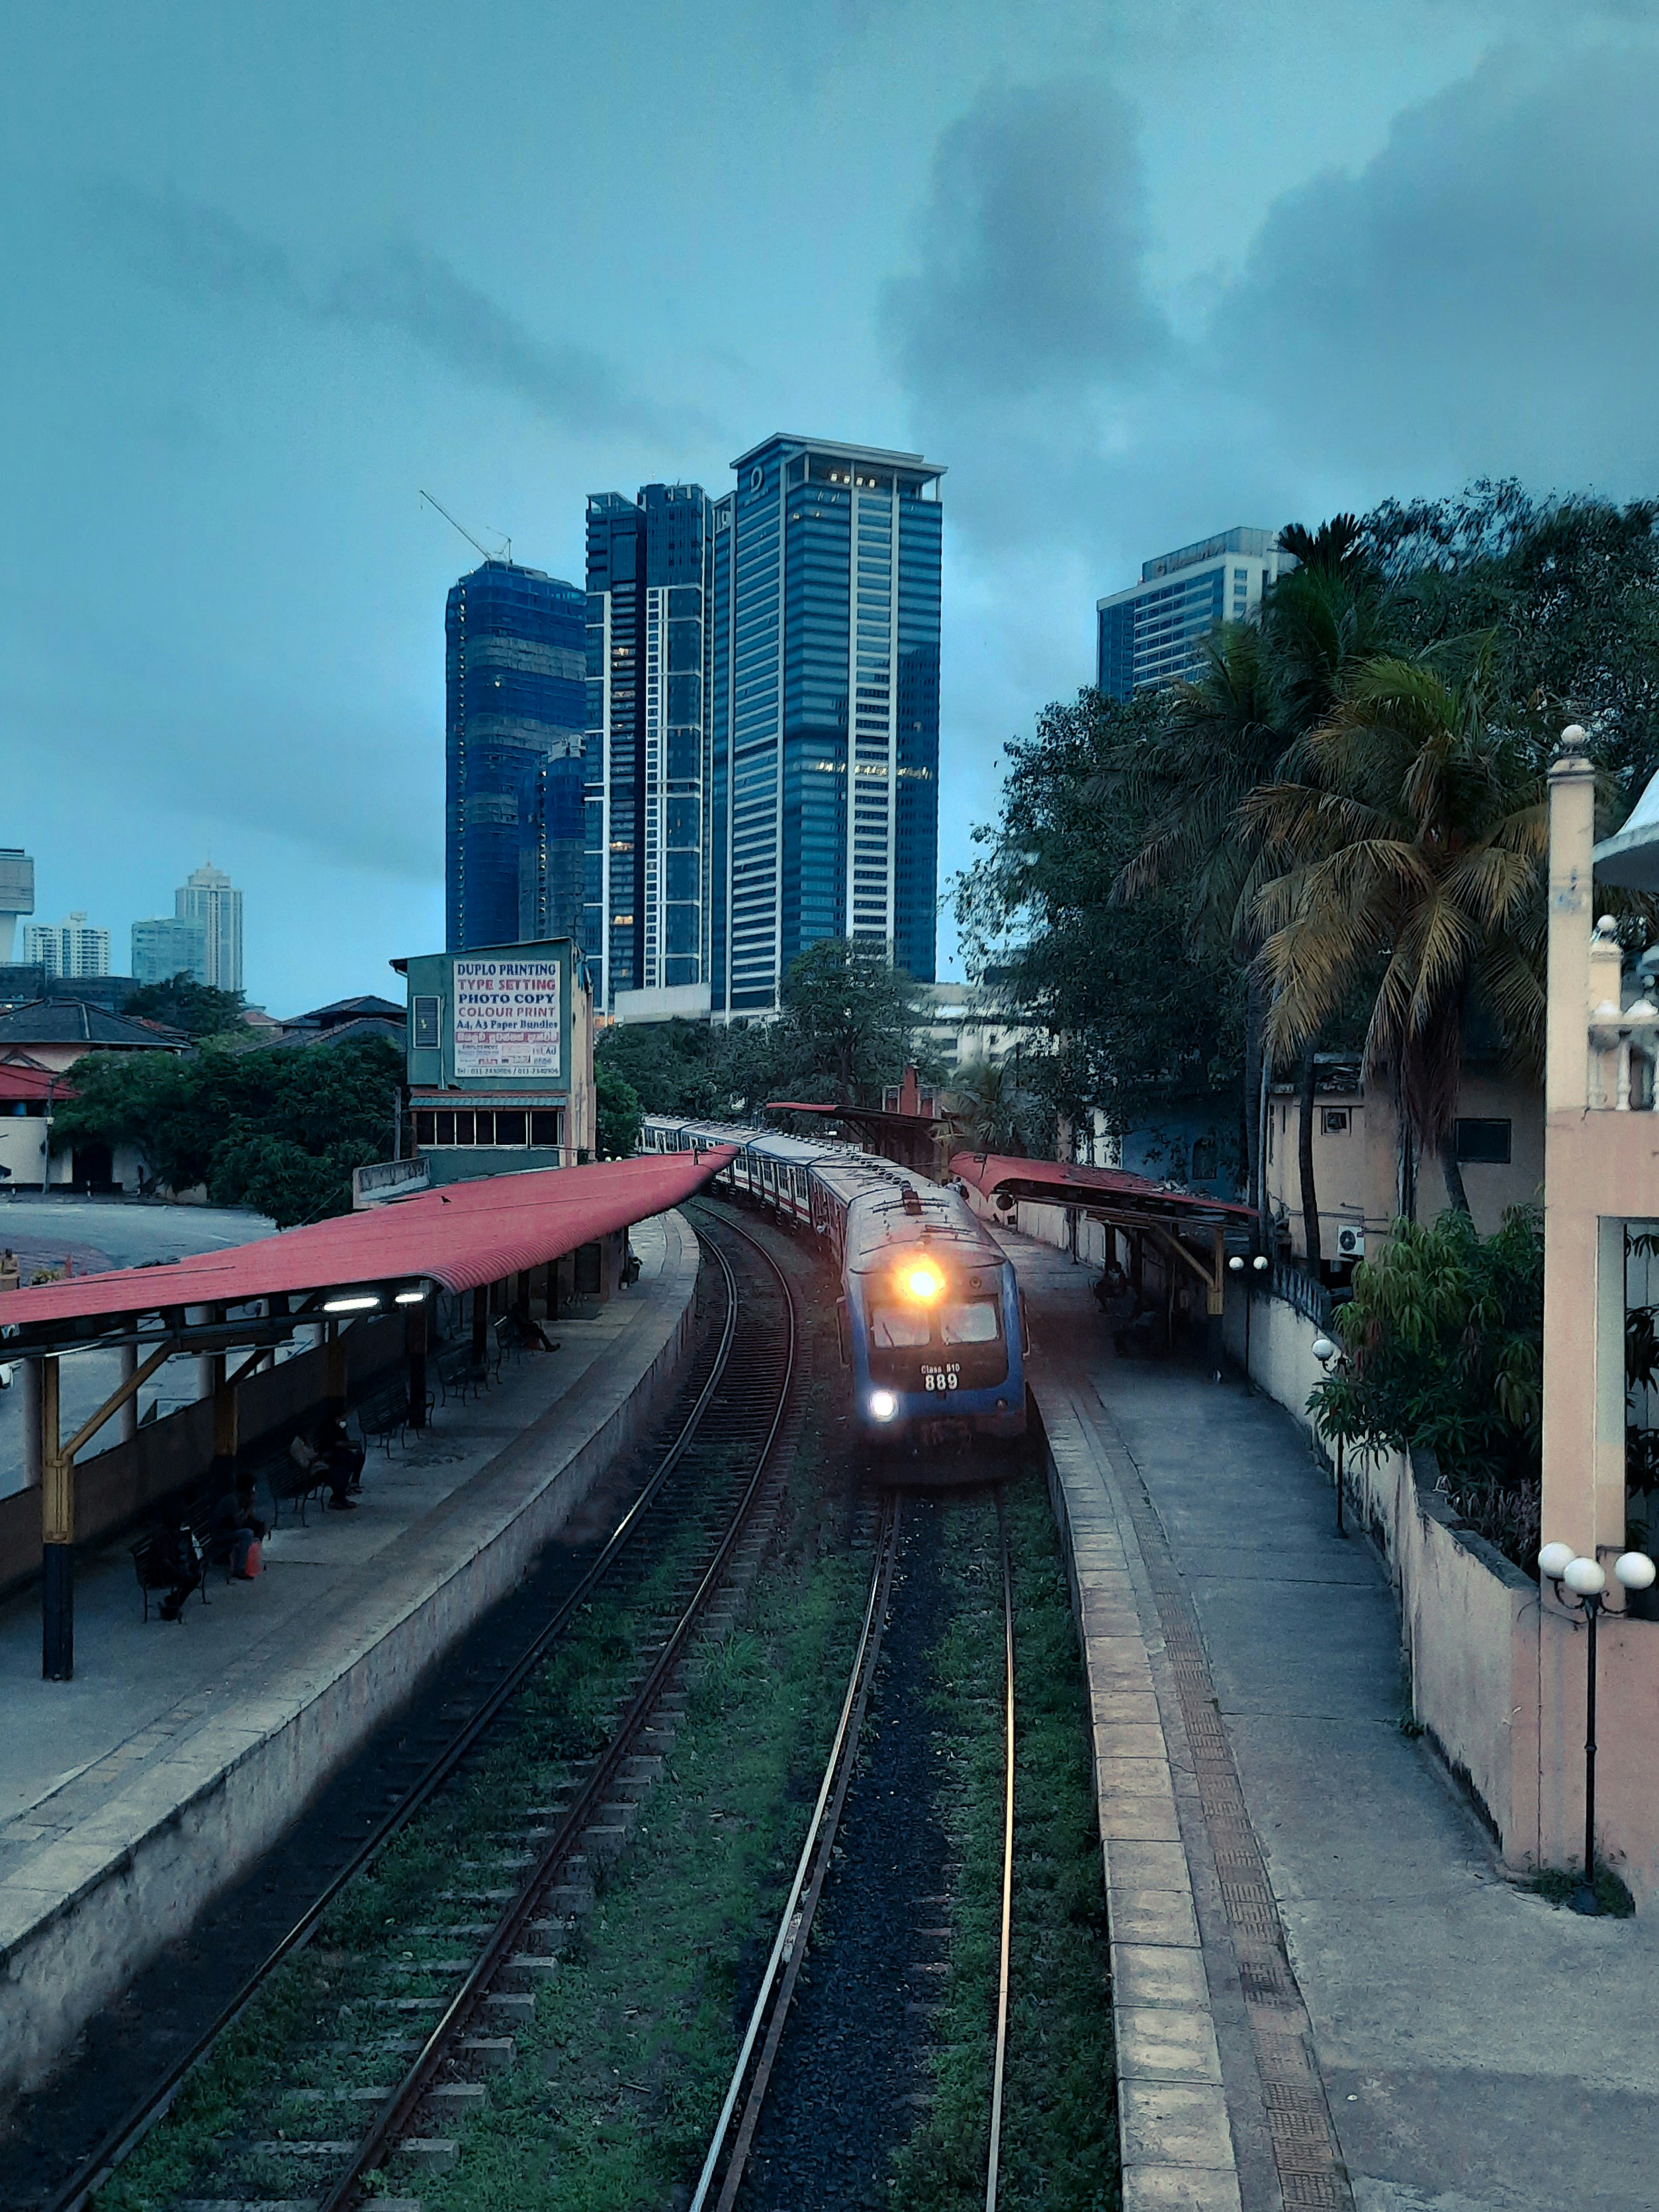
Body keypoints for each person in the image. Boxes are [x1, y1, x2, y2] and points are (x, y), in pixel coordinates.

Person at [207, 1468, 267, 1580]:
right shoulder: (232, 1501)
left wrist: (251, 1509)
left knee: (259, 1527)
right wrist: (249, 1508)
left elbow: (250, 1520)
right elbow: (238, 1524)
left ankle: (253, 1560)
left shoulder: (243, 1499)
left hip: (231, 1529)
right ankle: (239, 1569)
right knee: (247, 1533)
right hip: (221, 1532)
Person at [150, 1516, 202, 1622]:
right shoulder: (163, 1538)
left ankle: (173, 1601)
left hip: (166, 1569)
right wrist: (179, 1570)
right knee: (189, 1578)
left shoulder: (170, 1536)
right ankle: (173, 1603)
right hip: (159, 1573)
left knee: (194, 1576)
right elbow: (165, 1561)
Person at [313, 1412, 365, 1508]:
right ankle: (339, 1497)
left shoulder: (340, 1425)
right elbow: (336, 1443)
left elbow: (343, 1437)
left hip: (339, 1453)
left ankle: (352, 1485)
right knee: (343, 1469)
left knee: (358, 1458)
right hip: (331, 1455)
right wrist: (350, 1445)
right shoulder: (329, 1427)